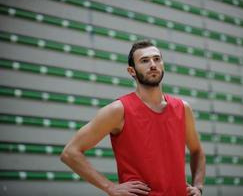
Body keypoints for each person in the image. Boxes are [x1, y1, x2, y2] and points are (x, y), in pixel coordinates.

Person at [60, 40, 206, 196]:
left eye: (157, 59)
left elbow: (197, 150)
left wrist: (198, 186)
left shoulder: (183, 108)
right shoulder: (118, 110)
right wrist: (110, 187)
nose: (153, 64)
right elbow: (70, 153)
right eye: (144, 61)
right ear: (132, 71)